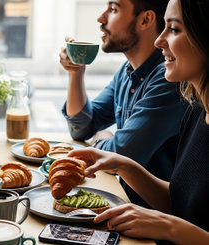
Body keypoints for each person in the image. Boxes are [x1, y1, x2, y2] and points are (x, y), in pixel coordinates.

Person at [68, 0, 209, 243]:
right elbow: (180, 201)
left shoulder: (174, 91)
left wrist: (170, 227)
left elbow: (180, 222)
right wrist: (123, 165)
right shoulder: (197, 112)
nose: (159, 40)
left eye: (174, 29)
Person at [59, 0, 188, 207]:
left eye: (113, 9)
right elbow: (82, 127)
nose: (101, 19)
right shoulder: (128, 72)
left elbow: (118, 155)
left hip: (154, 218)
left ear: (145, 19)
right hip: (127, 205)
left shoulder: (169, 79)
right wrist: (76, 73)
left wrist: (102, 139)